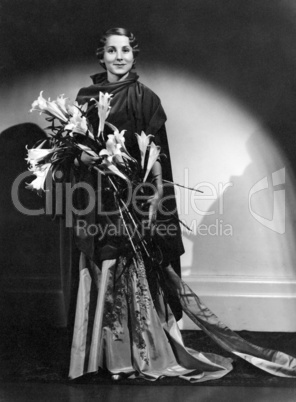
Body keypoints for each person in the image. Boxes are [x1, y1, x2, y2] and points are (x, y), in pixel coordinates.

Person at [68, 27, 296, 382]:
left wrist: (154, 197)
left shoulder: (145, 98)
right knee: (103, 262)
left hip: (134, 196)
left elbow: (156, 156)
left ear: (134, 54)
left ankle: (136, 353)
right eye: (112, 51)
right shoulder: (86, 97)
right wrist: (88, 162)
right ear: (101, 56)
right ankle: (102, 356)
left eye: (125, 50)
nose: (119, 57)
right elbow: (75, 153)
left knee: (133, 267)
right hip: (98, 196)